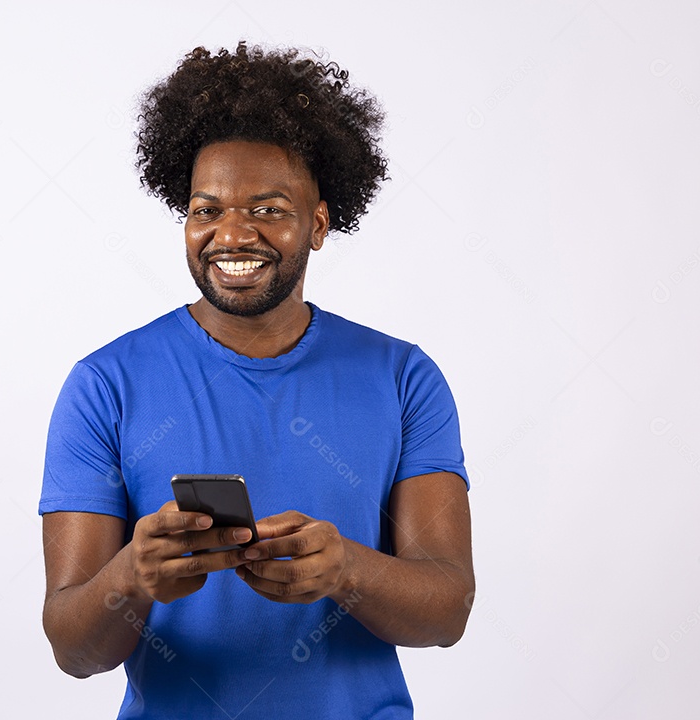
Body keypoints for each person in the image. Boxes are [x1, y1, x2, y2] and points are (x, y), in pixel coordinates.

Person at [39, 41, 474, 719]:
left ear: (320, 224)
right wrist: (133, 576)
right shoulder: (105, 385)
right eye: (206, 209)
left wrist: (347, 571)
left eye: (268, 208)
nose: (231, 233)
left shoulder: (402, 378)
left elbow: (447, 611)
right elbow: (73, 647)